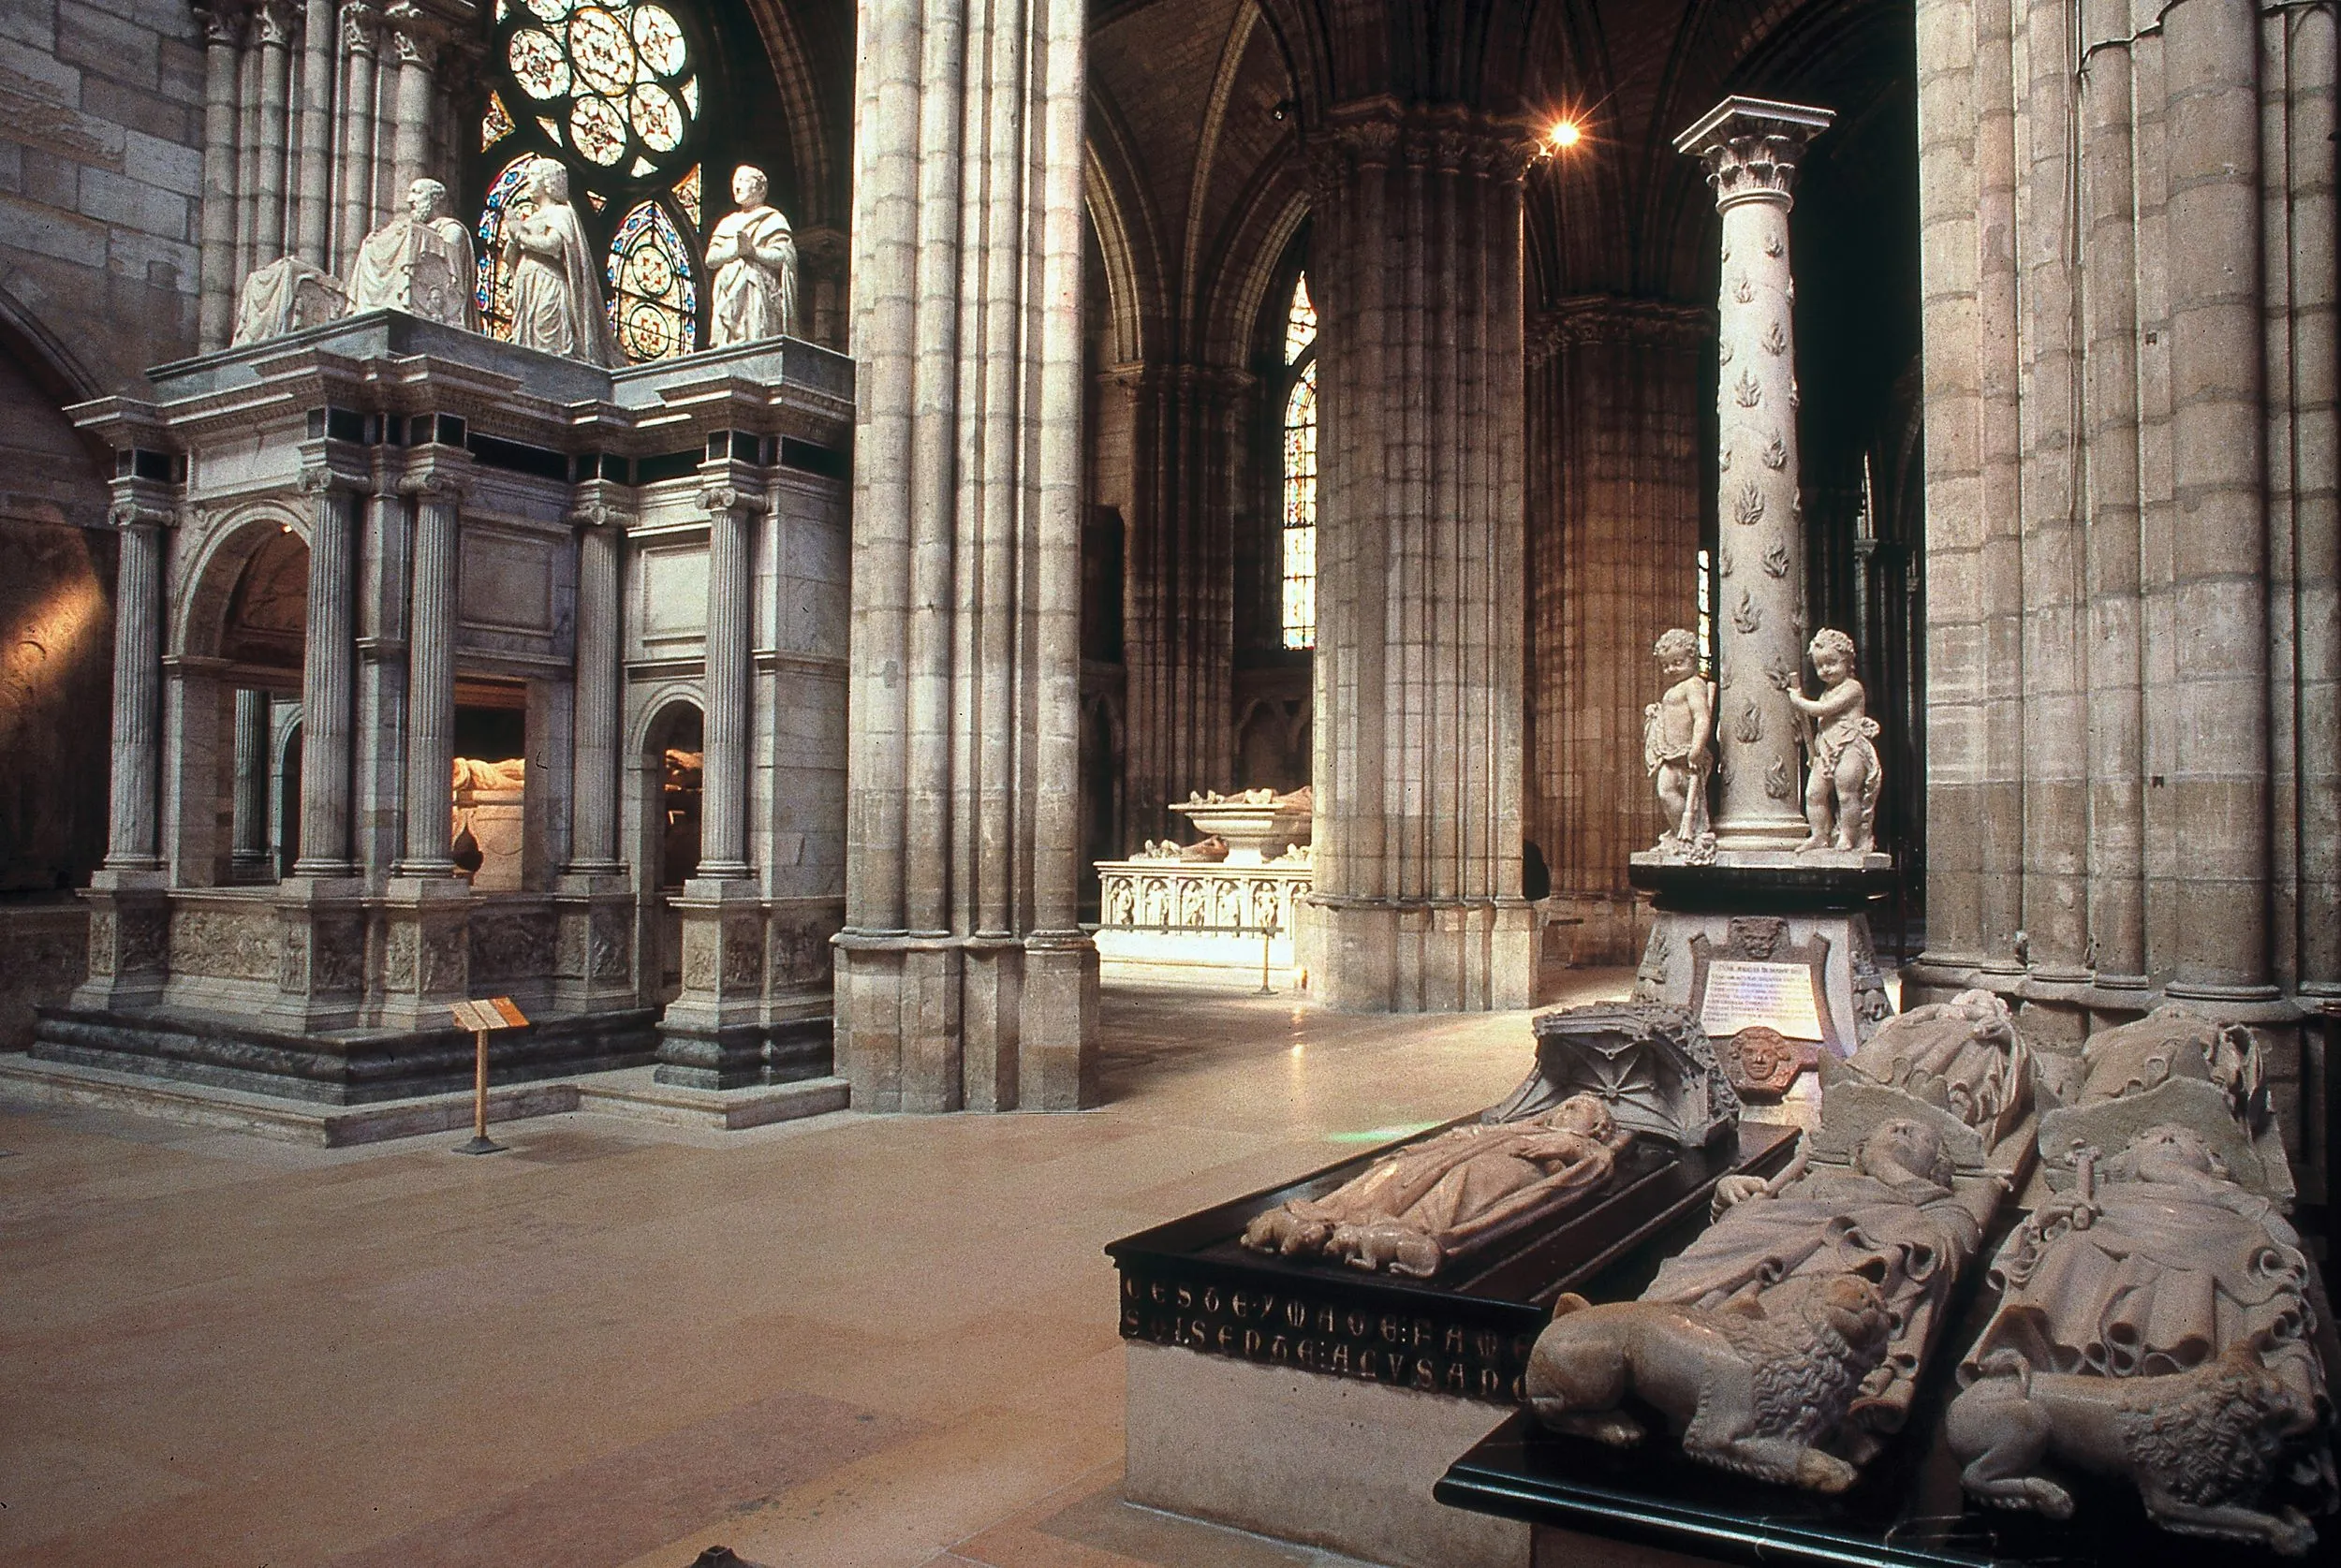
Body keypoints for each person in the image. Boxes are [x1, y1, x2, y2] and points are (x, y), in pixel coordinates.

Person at [502, 159, 614, 365]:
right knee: (528, 342)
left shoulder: (562, 213)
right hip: (528, 283)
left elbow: (552, 245)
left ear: (548, 182)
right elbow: (511, 257)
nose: (528, 181)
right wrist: (512, 236)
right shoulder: (531, 218)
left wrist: (520, 236)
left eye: (534, 176)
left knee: (549, 339)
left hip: (549, 283)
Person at [1788, 626, 1881, 853]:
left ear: (1847, 661)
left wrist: (1799, 701)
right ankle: (1820, 835)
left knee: (1847, 793)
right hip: (1827, 750)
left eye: (1831, 662)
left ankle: (1849, 837)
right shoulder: (1826, 691)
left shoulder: (1853, 688)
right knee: (1814, 794)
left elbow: (1824, 710)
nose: (1825, 669)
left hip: (1850, 747)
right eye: (1819, 665)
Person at [349, 178, 477, 330]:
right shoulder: (414, 231)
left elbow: (449, 271)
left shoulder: (452, 229)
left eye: (417, 193)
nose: (410, 200)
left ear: (435, 199)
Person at [707, 165, 797, 346]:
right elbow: (711, 259)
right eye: (734, 182)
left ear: (761, 188)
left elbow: (783, 258)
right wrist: (734, 251)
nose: (737, 187)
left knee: (750, 274)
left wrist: (753, 252)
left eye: (743, 180)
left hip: (758, 290)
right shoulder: (728, 222)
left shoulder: (773, 219)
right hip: (727, 287)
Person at [1642, 628, 1715, 853]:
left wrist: (1697, 748)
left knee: (1672, 791)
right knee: (1665, 791)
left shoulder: (1694, 685)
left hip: (1686, 753)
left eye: (1677, 662)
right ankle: (1679, 831)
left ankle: (1692, 831)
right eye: (1666, 665)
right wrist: (1656, 711)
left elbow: (1701, 718)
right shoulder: (1675, 689)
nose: (1671, 669)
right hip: (1669, 753)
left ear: (1692, 658)